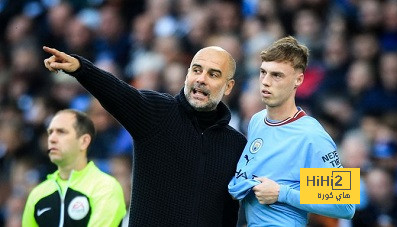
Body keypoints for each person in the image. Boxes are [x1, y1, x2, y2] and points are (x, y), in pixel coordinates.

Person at [42, 46, 247, 226]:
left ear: (228, 86)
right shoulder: (159, 114)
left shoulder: (236, 145)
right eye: (196, 70)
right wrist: (81, 68)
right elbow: (118, 94)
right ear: (187, 76)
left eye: (213, 74)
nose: (201, 79)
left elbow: (233, 215)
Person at [228, 36, 355, 226]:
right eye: (263, 72)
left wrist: (282, 193)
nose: (265, 81)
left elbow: (346, 206)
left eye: (277, 75)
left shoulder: (311, 135)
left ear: (298, 79)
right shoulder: (256, 121)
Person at [22, 109, 126, 227]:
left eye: (61, 132)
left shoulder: (106, 187)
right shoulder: (37, 194)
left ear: (84, 141)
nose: (51, 139)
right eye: (50, 132)